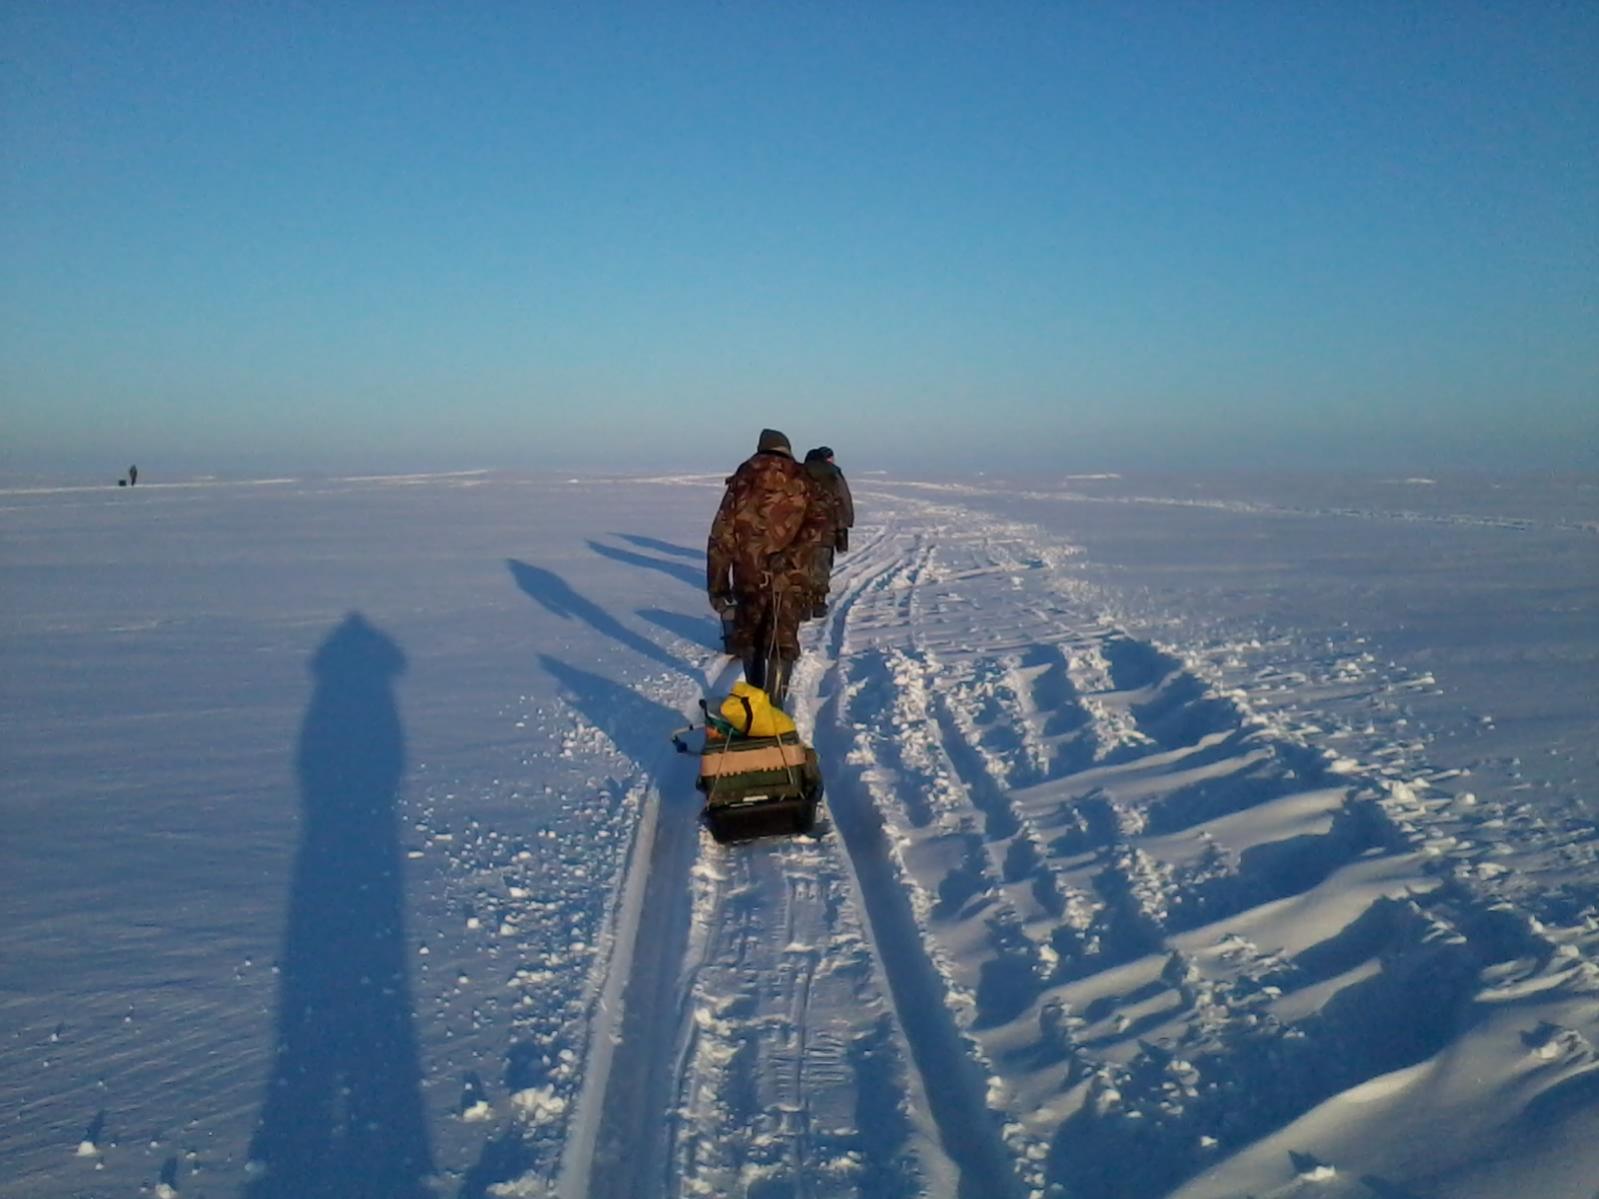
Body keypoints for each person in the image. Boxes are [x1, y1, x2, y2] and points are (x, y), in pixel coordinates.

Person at [707, 429, 829, 707]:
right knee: (782, 642)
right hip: (790, 578)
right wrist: (793, 559)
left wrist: (718, 587)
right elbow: (820, 528)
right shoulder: (804, 478)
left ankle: (756, 707)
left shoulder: (742, 479)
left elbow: (721, 536)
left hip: (748, 577)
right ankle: (774, 709)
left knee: (750, 640)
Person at [801, 446, 854, 617]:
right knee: (822, 565)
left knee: (801, 565)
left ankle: (803, 604)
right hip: (826, 529)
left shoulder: (798, 473)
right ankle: (818, 602)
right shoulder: (834, 474)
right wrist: (843, 528)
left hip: (800, 530)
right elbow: (843, 501)